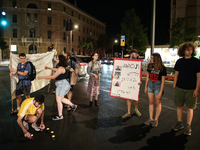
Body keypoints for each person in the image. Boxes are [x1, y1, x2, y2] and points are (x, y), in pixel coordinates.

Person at [38, 54, 77, 120]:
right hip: (64, 84)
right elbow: (57, 70)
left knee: (58, 101)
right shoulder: (64, 67)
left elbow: (53, 77)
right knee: (61, 99)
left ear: (60, 60)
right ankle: (73, 105)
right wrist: (50, 68)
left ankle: (60, 115)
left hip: (62, 85)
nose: (56, 60)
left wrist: (42, 77)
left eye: (58, 59)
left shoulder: (61, 68)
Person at [172, 42, 200, 135]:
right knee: (179, 106)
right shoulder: (179, 61)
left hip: (191, 89)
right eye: (188, 49)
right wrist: (174, 85)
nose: (190, 51)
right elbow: (176, 74)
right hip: (179, 88)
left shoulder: (196, 61)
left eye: (191, 49)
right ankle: (180, 123)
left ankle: (188, 126)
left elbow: (199, 77)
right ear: (183, 50)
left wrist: (196, 89)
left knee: (189, 108)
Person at [144, 53, 166, 127]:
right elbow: (148, 76)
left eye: (152, 58)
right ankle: (151, 118)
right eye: (151, 58)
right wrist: (146, 87)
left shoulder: (162, 68)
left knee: (158, 103)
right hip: (150, 84)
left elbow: (163, 81)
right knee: (151, 102)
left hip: (158, 85)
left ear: (156, 59)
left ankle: (156, 120)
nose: (151, 59)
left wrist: (160, 92)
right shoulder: (150, 65)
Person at [122, 49, 142, 119]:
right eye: (135, 54)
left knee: (135, 97)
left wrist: (140, 80)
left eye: (137, 54)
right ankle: (129, 112)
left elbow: (140, 73)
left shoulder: (138, 62)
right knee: (128, 97)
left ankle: (136, 109)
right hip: (128, 81)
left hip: (135, 82)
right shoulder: (126, 62)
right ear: (131, 55)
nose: (137, 55)